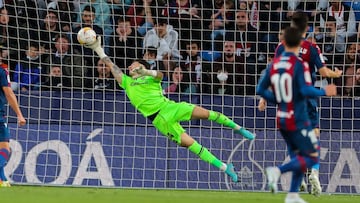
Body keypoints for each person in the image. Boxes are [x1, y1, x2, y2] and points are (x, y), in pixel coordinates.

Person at [84, 36, 255, 183]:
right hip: (159, 120)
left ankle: (240, 129)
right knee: (192, 145)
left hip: (170, 107)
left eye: (134, 65)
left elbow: (160, 75)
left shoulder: (150, 78)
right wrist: (98, 49)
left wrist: (146, 71)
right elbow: (112, 67)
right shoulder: (127, 83)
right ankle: (227, 169)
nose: (130, 68)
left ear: (141, 67)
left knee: (208, 114)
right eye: (130, 67)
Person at [258, 11, 342, 196]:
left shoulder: (281, 47)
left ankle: (300, 178)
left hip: (286, 101)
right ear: (307, 28)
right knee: (314, 136)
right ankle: (314, 172)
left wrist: (265, 98)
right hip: (306, 100)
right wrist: (335, 75)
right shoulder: (312, 48)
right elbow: (324, 73)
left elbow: (271, 73)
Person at [0, 59, 26, 186]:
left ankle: (3, 180)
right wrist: (19, 115)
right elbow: (9, 93)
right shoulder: (1, 71)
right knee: (5, 148)